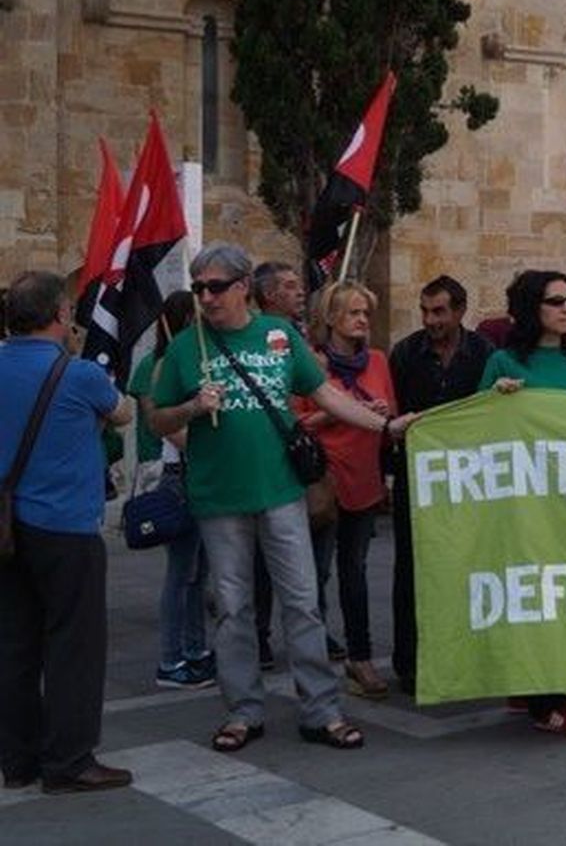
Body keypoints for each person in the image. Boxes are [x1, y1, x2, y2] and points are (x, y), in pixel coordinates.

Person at [151, 243, 414, 754]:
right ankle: (244, 710)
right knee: (233, 608)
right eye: (199, 287)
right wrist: (190, 407)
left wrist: (386, 425)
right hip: (218, 498)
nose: (205, 297)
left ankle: (321, 709)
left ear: (243, 286)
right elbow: (157, 418)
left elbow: (327, 395)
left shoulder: (278, 337)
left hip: (281, 492)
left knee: (302, 602)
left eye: (216, 286)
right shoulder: (187, 347)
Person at [0, 271, 134, 793]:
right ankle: (70, 760)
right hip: (65, 526)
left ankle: (17, 759)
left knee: (13, 643)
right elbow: (121, 413)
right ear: (60, 315)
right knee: (73, 644)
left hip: (7, 527)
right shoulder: (78, 375)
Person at [479, 269, 566, 735]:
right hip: (525, 506)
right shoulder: (504, 363)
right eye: (556, 301)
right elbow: (475, 429)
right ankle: (543, 697)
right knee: (536, 594)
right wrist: (496, 401)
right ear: (533, 309)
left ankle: (539, 683)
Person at [387, 275, 493, 693]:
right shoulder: (406, 354)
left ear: (461, 311)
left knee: (469, 566)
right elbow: (393, 415)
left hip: (469, 481)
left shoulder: (484, 353)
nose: (431, 320)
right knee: (411, 569)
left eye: (440, 311)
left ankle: (468, 656)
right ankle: (409, 662)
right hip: (418, 480)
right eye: (425, 311)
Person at [298, 281, 396, 701]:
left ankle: (360, 656)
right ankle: (314, 657)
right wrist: (337, 413)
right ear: (332, 317)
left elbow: (388, 412)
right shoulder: (310, 363)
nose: (361, 320)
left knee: (354, 571)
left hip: (363, 478)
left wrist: (377, 413)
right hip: (323, 480)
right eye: (354, 312)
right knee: (312, 574)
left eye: (365, 313)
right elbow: (296, 422)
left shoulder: (377, 361)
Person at [128, 290, 214, 690]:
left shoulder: (194, 361)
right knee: (182, 573)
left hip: (197, 474)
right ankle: (170, 657)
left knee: (198, 573)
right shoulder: (161, 365)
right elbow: (162, 425)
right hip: (181, 474)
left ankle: (195, 649)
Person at [248, 261, 309, 669]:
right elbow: (285, 396)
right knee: (259, 565)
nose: (299, 291)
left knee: (304, 570)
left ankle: (304, 638)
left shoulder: (296, 333)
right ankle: (258, 635)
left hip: (298, 465)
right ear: (269, 294)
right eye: (289, 286)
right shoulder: (269, 337)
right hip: (268, 462)